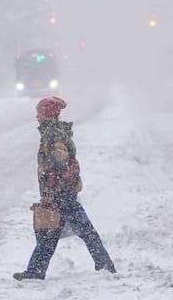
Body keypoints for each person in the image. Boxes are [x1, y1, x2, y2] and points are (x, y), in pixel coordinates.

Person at [13, 96, 116, 281]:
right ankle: (35, 272)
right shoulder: (52, 133)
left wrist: (52, 191)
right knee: (49, 236)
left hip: (62, 195)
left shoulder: (55, 135)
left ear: (47, 114)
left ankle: (106, 266)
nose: (36, 117)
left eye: (39, 112)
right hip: (59, 194)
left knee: (83, 232)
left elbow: (60, 163)